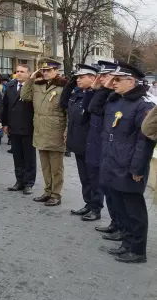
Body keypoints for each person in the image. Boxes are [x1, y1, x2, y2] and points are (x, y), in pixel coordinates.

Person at [98, 62, 156, 264]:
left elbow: (145, 139)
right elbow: (95, 108)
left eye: (117, 80)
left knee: (134, 211)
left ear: (131, 82)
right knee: (121, 207)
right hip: (113, 161)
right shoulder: (116, 100)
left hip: (130, 166)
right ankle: (127, 243)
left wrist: (138, 168)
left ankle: (138, 250)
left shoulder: (143, 105)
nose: (113, 83)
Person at [20, 58, 67, 206]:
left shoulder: (63, 87)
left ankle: (56, 194)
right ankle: (47, 191)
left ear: (57, 71)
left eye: (49, 70)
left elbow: (68, 112)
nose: (46, 73)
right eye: (44, 70)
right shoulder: (38, 86)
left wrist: (67, 132)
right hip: (40, 129)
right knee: (45, 165)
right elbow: (24, 96)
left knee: (56, 167)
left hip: (56, 131)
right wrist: (31, 78)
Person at [60, 64, 102, 221]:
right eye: (77, 77)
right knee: (84, 177)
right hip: (78, 141)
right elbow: (63, 103)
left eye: (81, 77)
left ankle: (96, 208)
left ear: (92, 78)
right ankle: (88, 204)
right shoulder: (77, 93)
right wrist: (70, 83)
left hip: (91, 144)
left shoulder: (97, 95)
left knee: (94, 178)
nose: (78, 80)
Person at [88, 61, 122, 236]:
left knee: (114, 190)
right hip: (100, 145)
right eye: (101, 76)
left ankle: (119, 225)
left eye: (107, 76)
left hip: (112, 149)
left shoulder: (116, 96)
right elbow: (92, 108)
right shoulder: (106, 94)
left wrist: (103, 89)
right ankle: (115, 223)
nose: (104, 80)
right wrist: (97, 88)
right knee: (106, 188)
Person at [2, 65, 36, 195]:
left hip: (28, 126)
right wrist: (5, 123)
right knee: (17, 156)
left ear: (29, 74)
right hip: (14, 126)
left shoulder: (33, 87)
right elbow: (6, 106)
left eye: (22, 72)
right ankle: (19, 181)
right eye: (17, 71)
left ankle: (29, 183)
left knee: (29, 157)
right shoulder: (10, 86)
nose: (19, 74)